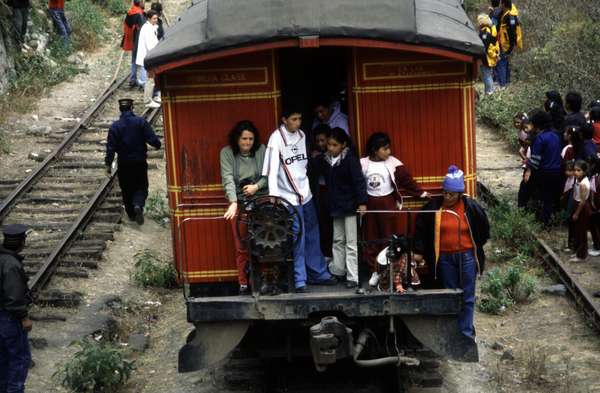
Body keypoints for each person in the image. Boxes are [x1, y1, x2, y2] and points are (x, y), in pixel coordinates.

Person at [262, 107, 336, 292]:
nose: (297, 122)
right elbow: (272, 170)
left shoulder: (302, 135)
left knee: (312, 232)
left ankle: (318, 273)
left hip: (306, 193)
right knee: (298, 237)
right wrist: (274, 195)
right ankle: (300, 279)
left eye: (300, 118)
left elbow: (302, 166)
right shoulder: (276, 138)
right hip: (288, 198)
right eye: (294, 119)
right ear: (284, 119)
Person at [413, 166, 489, 339]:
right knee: (450, 294)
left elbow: (484, 230)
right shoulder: (434, 207)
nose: (447, 197)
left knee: (468, 296)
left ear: (460, 194)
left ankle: (466, 334)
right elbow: (421, 228)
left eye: (451, 194)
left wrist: (474, 246)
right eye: (445, 193)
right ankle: (454, 332)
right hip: (445, 258)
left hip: (467, 257)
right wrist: (418, 250)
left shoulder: (471, 207)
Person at [360, 132, 429, 286]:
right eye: (385, 149)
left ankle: (389, 271)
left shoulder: (392, 162)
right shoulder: (363, 163)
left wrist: (421, 193)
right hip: (370, 205)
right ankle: (374, 270)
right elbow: (357, 183)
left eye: (389, 148)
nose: (388, 152)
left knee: (388, 238)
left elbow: (406, 180)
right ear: (374, 150)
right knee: (371, 238)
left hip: (388, 204)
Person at [313, 128, 367, 289]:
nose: (330, 148)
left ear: (343, 145)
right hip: (336, 206)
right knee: (337, 240)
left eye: (334, 145)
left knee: (351, 243)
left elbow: (359, 182)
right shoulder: (325, 160)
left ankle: (353, 276)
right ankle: (338, 271)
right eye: (329, 144)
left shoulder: (350, 159)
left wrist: (362, 203)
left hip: (350, 206)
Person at [220, 120, 267, 295]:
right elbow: (228, 178)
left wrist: (257, 186)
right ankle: (243, 282)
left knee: (263, 242)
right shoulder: (227, 153)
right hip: (239, 202)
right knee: (241, 244)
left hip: (261, 200)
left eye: (250, 139)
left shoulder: (261, 150)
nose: (247, 143)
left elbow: (269, 174)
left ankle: (264, 279)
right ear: (236, 139)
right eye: (244, 139)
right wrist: (233, 201)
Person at [105, 98, 161, 225]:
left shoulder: (115, 127)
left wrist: (108, 164)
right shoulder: (141, 122)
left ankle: (131, 214)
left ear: (120, 110)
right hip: (139, 162)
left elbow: (110, 148)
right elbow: (152, 139)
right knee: (141, 186)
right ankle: (138, 205)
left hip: (124, 163)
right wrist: (157, 145)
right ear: (132, 108)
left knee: (126, 188)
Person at [0, 224, 32, 393]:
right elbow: (14, 296)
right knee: (19, 360)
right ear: (21, 242)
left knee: (3, 360)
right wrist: (24, 317)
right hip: (8, 319)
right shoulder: (11, 264)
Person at [524, 110, 562, 224]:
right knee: (550, 198)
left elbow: (535, 160)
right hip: (557, 171)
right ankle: (550, 219)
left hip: (544, 172)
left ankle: (543, 221)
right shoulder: (556, 135)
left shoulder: (540, 138)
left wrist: (528, 170)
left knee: (542, 197)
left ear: (537, 124)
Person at [310, 124, 333, 259]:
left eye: (322, 140)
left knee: (332, 225)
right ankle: (325, 254)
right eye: (317, 141)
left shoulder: (333, 155)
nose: (320, 144)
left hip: (331, 193)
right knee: (322, 224)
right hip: (320, 192)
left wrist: (319, 158)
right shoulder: (315, 154)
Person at [567, 160, 594, 262]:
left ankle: (582, 255)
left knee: (582, 232)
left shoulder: (583, 183)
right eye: (575, 170)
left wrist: (576, 213)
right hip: (577, 204)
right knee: (577, 231)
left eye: (579, 170)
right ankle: (578, 252)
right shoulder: (579, 181)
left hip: (581, 208)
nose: (576, 172)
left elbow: (582, 201)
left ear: (584, 171)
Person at [136, 9, 160, 108]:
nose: (156, 20)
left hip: (149, 57)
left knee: (151, 79)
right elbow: (151, 46)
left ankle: (151, 98)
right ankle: (147, 101)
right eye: (154, 19)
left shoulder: (150, 27)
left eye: (156, 18)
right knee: (150, 79)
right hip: (148, 57)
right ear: (149, 19)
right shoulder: (147, 29)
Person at [497, 0, 522, 88]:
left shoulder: (510, 16)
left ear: (504, 4)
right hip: (504, 44)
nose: (500, 5)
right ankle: (506, 83)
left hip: (506, 46)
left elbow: (512, 33)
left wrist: (510, 48)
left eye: (501, 3)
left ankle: (503, 85)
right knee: (505, 63)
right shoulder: (505, 13)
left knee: (502, 64)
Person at [121, 0, 145, 89]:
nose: (144, 3)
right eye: (143, 1)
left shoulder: (130, 12)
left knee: (134, 60)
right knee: (143, 60)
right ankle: (143, 82)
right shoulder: (140, 14)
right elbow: (143, 29)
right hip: (140, 40)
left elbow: (128, 26)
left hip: (134, 40)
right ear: (140, 3)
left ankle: (132, 79)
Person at [478, 14, 499, 95]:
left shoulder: (485, 31)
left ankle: (490, 93)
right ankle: (489, 92)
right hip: (490, 56)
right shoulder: (490, 29)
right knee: (488, 75)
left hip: (486, 57)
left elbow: (485, 45)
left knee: (487, 75)